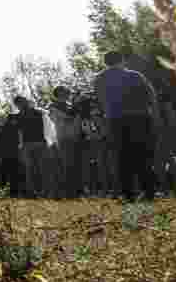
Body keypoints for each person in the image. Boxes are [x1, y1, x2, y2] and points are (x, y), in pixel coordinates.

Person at [93, 50, 158, 202]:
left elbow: (100, 101)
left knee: (122, 157)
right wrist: (154, 116)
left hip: (115, 120)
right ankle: (149, 192)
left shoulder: (99, 79)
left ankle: (128, 194)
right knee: (143, 154)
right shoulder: (135, 75)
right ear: (122, 60)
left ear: (105, 62)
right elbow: (151, 96)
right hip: (139, 118)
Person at [14, 95, 53, 198]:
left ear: (26, 101)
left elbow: (49, 127)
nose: (21, 104)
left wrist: (49, 141)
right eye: (18, 103)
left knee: (43, 168)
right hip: (27, 145)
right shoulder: (18, 116)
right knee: (30, 169)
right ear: (17, 105)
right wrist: (21, 145)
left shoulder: (40, 112)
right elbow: (19, 132)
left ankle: (46, 192)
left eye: (22, 102)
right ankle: (32, 193)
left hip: (40, 143)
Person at [49, 86, 83, 199]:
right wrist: (76, 105)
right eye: (65, 92)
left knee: (76, 165)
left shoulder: (70, 106)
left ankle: (76, 191)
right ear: (58, 94)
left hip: (75, 137)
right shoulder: (54, 106)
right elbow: (68, 116)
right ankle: (67, 192)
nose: (68, 93)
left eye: (67, 92)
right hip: (64, 138)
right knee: (67, 165)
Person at [0, 112, 24, 197]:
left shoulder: (4, 128)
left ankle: (10, 191)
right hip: (11, 155)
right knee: (12, 174)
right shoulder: (14, 128)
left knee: (8, 174)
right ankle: (12, 191)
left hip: (9, 155)